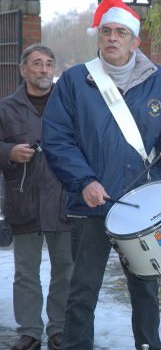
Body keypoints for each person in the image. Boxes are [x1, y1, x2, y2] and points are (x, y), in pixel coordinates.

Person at [41, 0, 161, 350]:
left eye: (120, 32)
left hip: (143, 208)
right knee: (82, 292)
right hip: (91, 203)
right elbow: (56, 137)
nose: (112, 38)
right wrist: (84, 181)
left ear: (136, 41)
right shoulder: (76, 81)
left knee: (146, 292)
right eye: (106, 31)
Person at [0, 44, 73, 350]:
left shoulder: (69, 104)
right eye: (37, 64)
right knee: (26, 271)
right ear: (23, 70)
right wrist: (9, 152)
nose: (44, 69)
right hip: (24, 198)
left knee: (65, 269)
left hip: (63, 198)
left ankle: (59, 328)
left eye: (49, 64)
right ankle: (29, 331)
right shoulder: (6, 108)